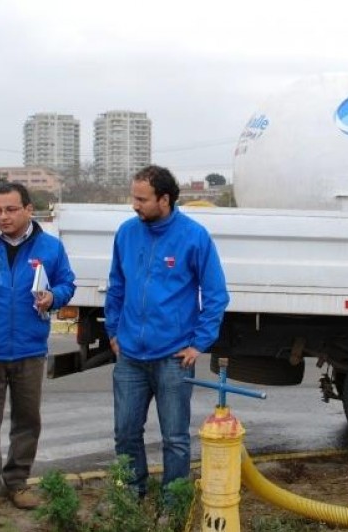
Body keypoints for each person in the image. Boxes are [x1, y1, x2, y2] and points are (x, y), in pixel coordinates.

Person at [104, 165, 229, 498]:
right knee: (126, 433)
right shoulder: (127, 233)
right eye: (134, 197)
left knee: (175, 438)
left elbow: (216, 295)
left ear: (165, 199)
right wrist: (114, 331)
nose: (135, 205)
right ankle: (130, 496)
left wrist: (199, 343)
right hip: (130, 355)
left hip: (174, 357)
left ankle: (173, 502)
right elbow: (116, 285)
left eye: (142, 199)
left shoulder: (194, 236)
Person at [0, 182, 76, 515]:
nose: (3, 217)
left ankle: (16, 482)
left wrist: (54, 297)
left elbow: (67, 283)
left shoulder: (51, 248)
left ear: (29, 209)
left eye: (11, 209)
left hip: (29, 349)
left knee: (28, 421)